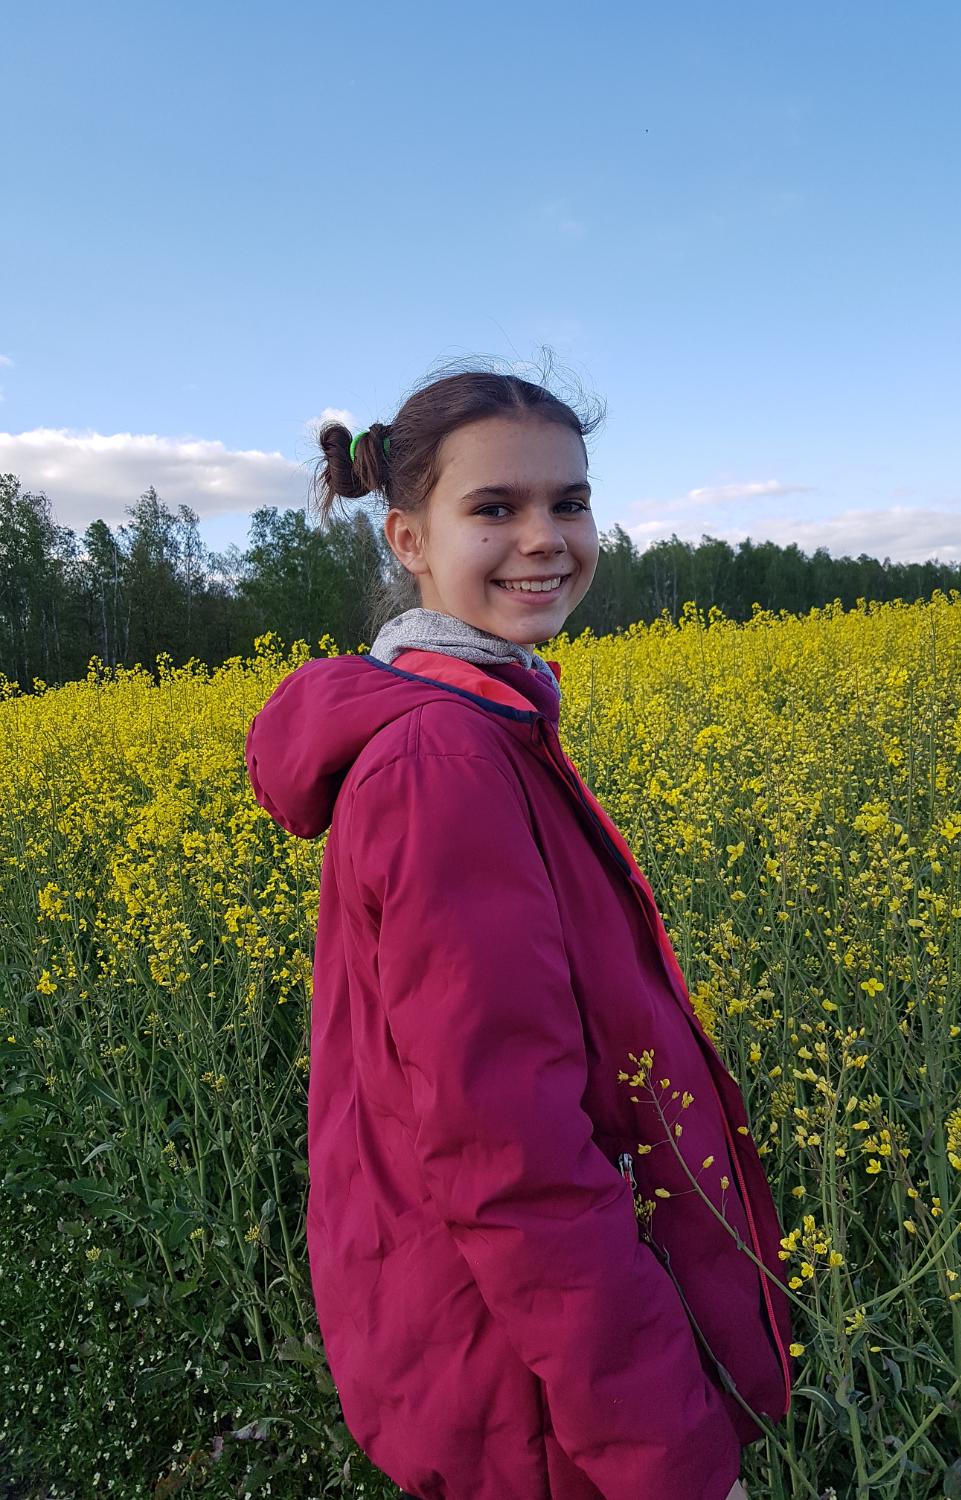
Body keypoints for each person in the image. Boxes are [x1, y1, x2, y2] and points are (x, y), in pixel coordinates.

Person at [245, 360, 791, 1500]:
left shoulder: (482, 723)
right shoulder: (442, 758)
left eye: (568, 502)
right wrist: (668, 1455)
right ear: (408, 539)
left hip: (507, 1351)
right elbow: (512, 1158)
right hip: (535, 1398)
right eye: (494, 508)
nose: (544, 538)